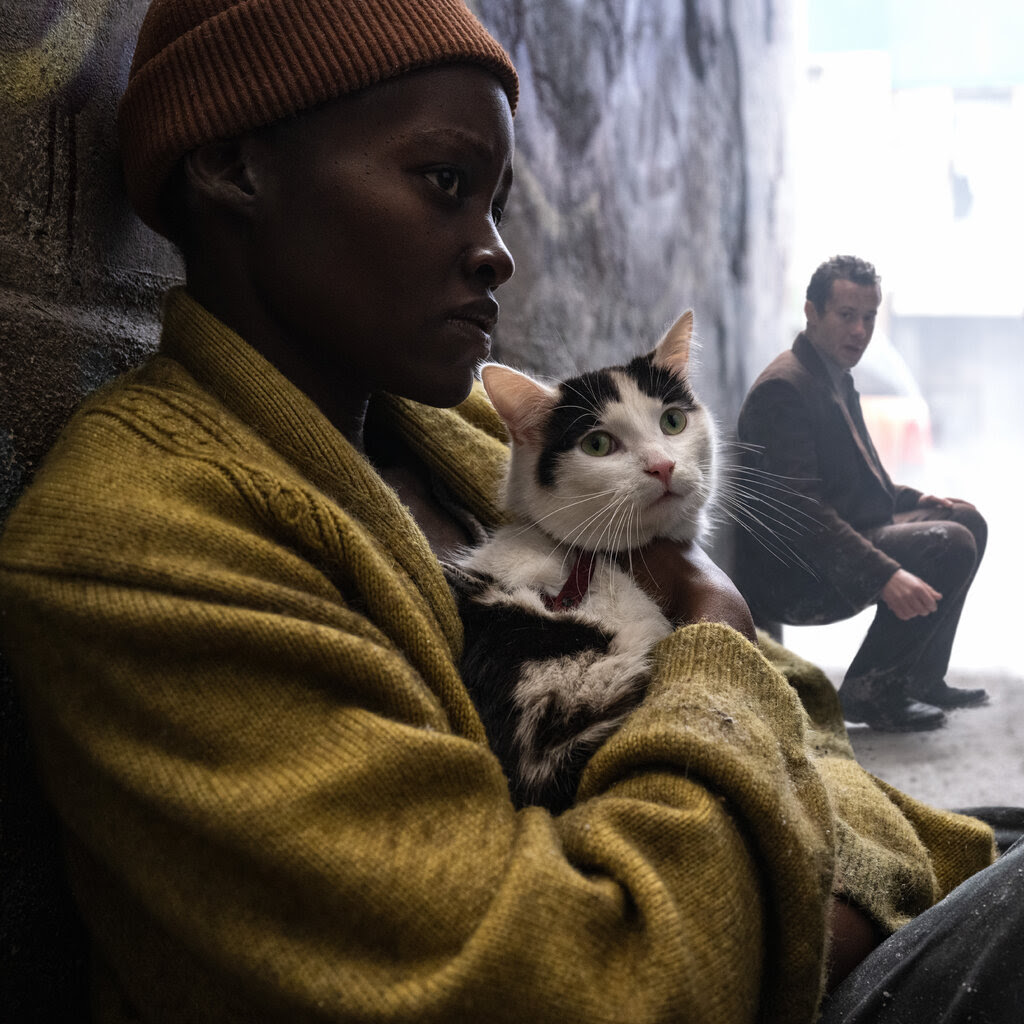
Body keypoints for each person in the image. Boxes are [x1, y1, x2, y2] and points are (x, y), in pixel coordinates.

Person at [0, 4, 1015, 1022]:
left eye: (496, 203)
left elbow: (807, 721)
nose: (496, 254)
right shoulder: (149, 543)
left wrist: (823, 893)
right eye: (444, 183)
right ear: (234, 166)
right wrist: (711, 647)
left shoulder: (475, 453)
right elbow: (574, 979)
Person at [736, 255, 988, 732]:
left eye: (869, 317)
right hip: (796, 573)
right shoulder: (786, 389)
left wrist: (914, 500)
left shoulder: (829, 373)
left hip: (830, 542)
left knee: (967, 519)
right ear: (811, 312)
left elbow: (857, 481)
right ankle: (871, 692)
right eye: (846, 315)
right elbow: (799, 511)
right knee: (950, 543)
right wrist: (886, 575)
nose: (860, 331)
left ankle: (918, 678)